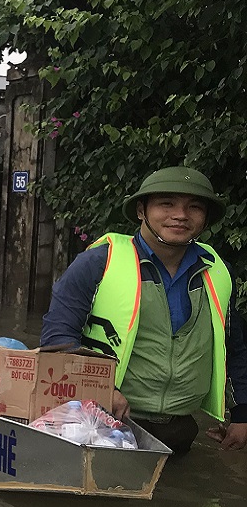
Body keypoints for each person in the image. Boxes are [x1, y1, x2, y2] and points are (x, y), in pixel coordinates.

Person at [40, 166, 247, 455]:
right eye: (166, 203)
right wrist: (102, 390)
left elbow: (234, 348)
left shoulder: (217, 273)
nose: (180, 215)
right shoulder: (99, 263)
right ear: (141, 210)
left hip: (180, 431)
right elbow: (57, 340)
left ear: (205, 218)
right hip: (99, 425)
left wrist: (242, 414)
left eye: (194, 207)